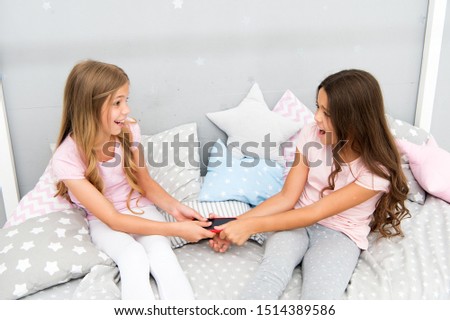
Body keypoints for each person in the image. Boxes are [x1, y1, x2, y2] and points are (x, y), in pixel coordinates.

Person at [209, 69, 410, 299]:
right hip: (295, 220)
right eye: (318, 107)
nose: (316, 117)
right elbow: (287, 197)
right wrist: (234, 224)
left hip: (340, 234)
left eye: (327, 113)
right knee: (271, 274)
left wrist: (250, 226)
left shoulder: (376, 170)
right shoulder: (311, 134)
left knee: (319, 296)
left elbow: (315, 213)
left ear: (355, 121)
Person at [52, 60, 214, 300]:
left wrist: (178, 210)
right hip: (103, 221)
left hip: (139, 207)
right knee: (132, 257)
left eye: (126, 100)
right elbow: (113, 219)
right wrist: (176, 229)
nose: (126, 110)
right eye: (117, 103)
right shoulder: (66, 157)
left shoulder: (128, 130)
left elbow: (145, 183)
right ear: (91, 106)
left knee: (163, 255)